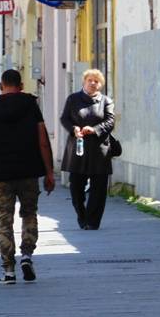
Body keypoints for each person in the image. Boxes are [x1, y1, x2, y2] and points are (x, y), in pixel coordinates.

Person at [0, 69, 55, 285]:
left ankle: (9, 270)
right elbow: (43, 141)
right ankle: (27, 255)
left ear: (1, 85)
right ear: (20, 86)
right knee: (29, 214)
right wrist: (49, 172)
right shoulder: (30, 104)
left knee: (3, 220)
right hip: (28, 172)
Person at [60, 69, 115, 230]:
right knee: (76, 187)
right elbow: (65, 118)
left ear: (100, 85)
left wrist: (95, 129)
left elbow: (110, 121)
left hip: (99, 151)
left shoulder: (106, 101)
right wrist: (74, 129)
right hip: (78, 149)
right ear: (84, 82)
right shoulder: (73, 99)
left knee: (98, 189)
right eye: (90, 80)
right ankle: (82, 216)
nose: (93, 83)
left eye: (96, 81)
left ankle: (92, 222)